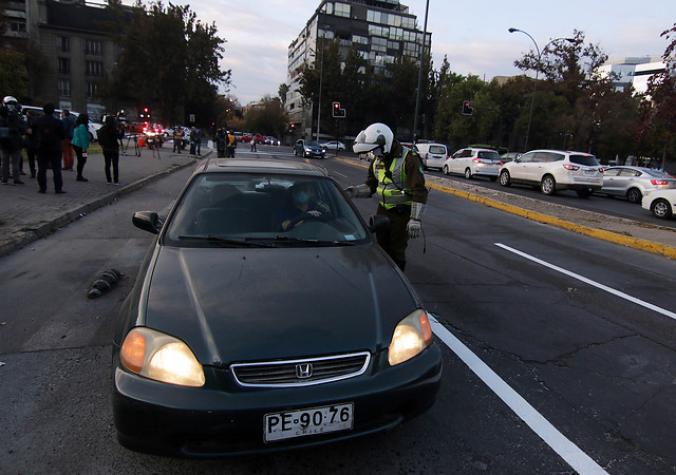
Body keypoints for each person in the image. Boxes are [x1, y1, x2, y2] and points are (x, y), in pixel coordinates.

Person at [345, 122, 428, 271]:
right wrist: (353, 192)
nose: (373, 154)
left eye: (375, 150)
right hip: (383, 210)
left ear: (385, 144)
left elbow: (419, 190)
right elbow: (371, 185)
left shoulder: (409, 158)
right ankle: (382, 274)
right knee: (381, 247)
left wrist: (415, 219)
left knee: (397, 250)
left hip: (402, 212)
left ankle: (397, 279)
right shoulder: (377, 160)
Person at [34, 103, 66, 193]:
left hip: (42, 147)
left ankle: (42, 188)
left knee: (42, 168)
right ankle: (58, 188)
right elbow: (63, 135)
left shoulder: (38, 121)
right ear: (53, 111)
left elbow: (33, 131)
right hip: (55, 147)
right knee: (56, 169)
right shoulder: (58, 122)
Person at [0, 96, 26, 185]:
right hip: (15, 142)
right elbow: (23, 128)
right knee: (15, 162)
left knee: (5, 162)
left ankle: (4, 178)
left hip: (5, 142)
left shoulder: (2, 116)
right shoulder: (17, 116)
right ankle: (16, 178)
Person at [97, 115, 122, 185]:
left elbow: (99, 138)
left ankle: (109, 180)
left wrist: (102, 145)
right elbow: (120, 137)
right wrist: (122, 130)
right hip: (114, 149)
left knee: (107, 164)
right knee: (115, 165)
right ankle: (116, 181)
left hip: (106, 149)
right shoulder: (114, 129)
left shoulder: (102, 129)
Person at [71, 113, 90, 181]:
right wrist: (84, 149)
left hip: (76, 144)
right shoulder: (82, 126)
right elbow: (83, 138)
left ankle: (79, 175)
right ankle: (79, 176)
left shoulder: (77, 125)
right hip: (81, 146)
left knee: (82, 160)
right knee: (82, 160)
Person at [23, 110, 40, 178]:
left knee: (31, 159)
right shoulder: (39, 120)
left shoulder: (29, 121)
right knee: (39, 158)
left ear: (29, 114)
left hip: (30, 142)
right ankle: (40, 171)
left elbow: (28, 132)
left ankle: (33, 172)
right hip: (38, 141)